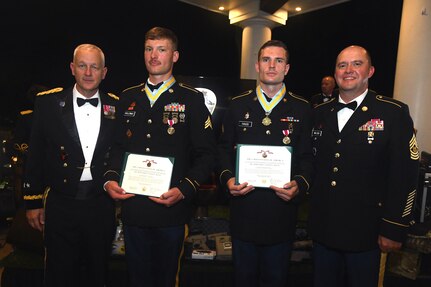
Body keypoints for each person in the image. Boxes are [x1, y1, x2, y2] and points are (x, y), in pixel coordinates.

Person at [103, 26, 217, 287]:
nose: (154, 56)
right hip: (133, 210)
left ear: (174, 56)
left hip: (172, 211)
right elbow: (117, 147)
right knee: (136, 278)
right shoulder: (128, 97)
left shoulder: (192, 100)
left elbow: (206, 154)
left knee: (166, 279)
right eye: (149, 49)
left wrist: (184, 189)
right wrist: (110, 179)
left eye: (161, 49)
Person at [309, 45, 420, 287]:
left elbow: (406, 174)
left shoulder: (393, 112)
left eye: (356, 64)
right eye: (342, 65)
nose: (348, 70)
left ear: (370, 71)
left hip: (367, 233)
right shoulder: (319, 112)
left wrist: (394, 227)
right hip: (323, 229)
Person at [217, 40, 313, 287]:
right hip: (244, 213)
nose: (272, 65)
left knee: (276, 280)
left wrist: (299, 185)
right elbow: (223, 150)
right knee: (242, 280)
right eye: (266, 60)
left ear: (287, 68)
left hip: (281, 215)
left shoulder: (302, 108)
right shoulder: (237, 105)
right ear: (257, 66)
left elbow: (308, 158)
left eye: (278, 60)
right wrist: (228, 179)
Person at [23, 44, 119, 287]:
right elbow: (35, 153)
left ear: (104, 72)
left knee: (98, 271)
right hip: (61, 203)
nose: (88, 72)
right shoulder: (48, 104)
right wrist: (32, 201)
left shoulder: (118, 106)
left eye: (94, 67)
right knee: (59, 273)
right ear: (72, 69)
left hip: (101, 203)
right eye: (82, 66)